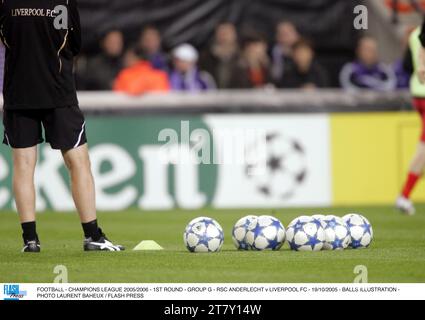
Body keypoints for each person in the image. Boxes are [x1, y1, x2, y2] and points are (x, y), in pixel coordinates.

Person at [0, 0, 124, 252]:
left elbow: (4, 38)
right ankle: (92, 236)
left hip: (18, 92)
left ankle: (30, 240)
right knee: (78, 162)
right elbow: (75, 43)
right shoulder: (64, 1)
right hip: (58, 91)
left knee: (23, 166)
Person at [397, 21, 425, 215]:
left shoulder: (414, 33)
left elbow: (407, 65)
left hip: (417, 92)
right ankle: (404, 195)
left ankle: (405, 195)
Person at [200, 23, 241, 89]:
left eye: (227, 33)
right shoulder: (207, 57)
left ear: (234, 35)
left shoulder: (242, 56)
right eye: (221, 33)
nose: (224, 36)